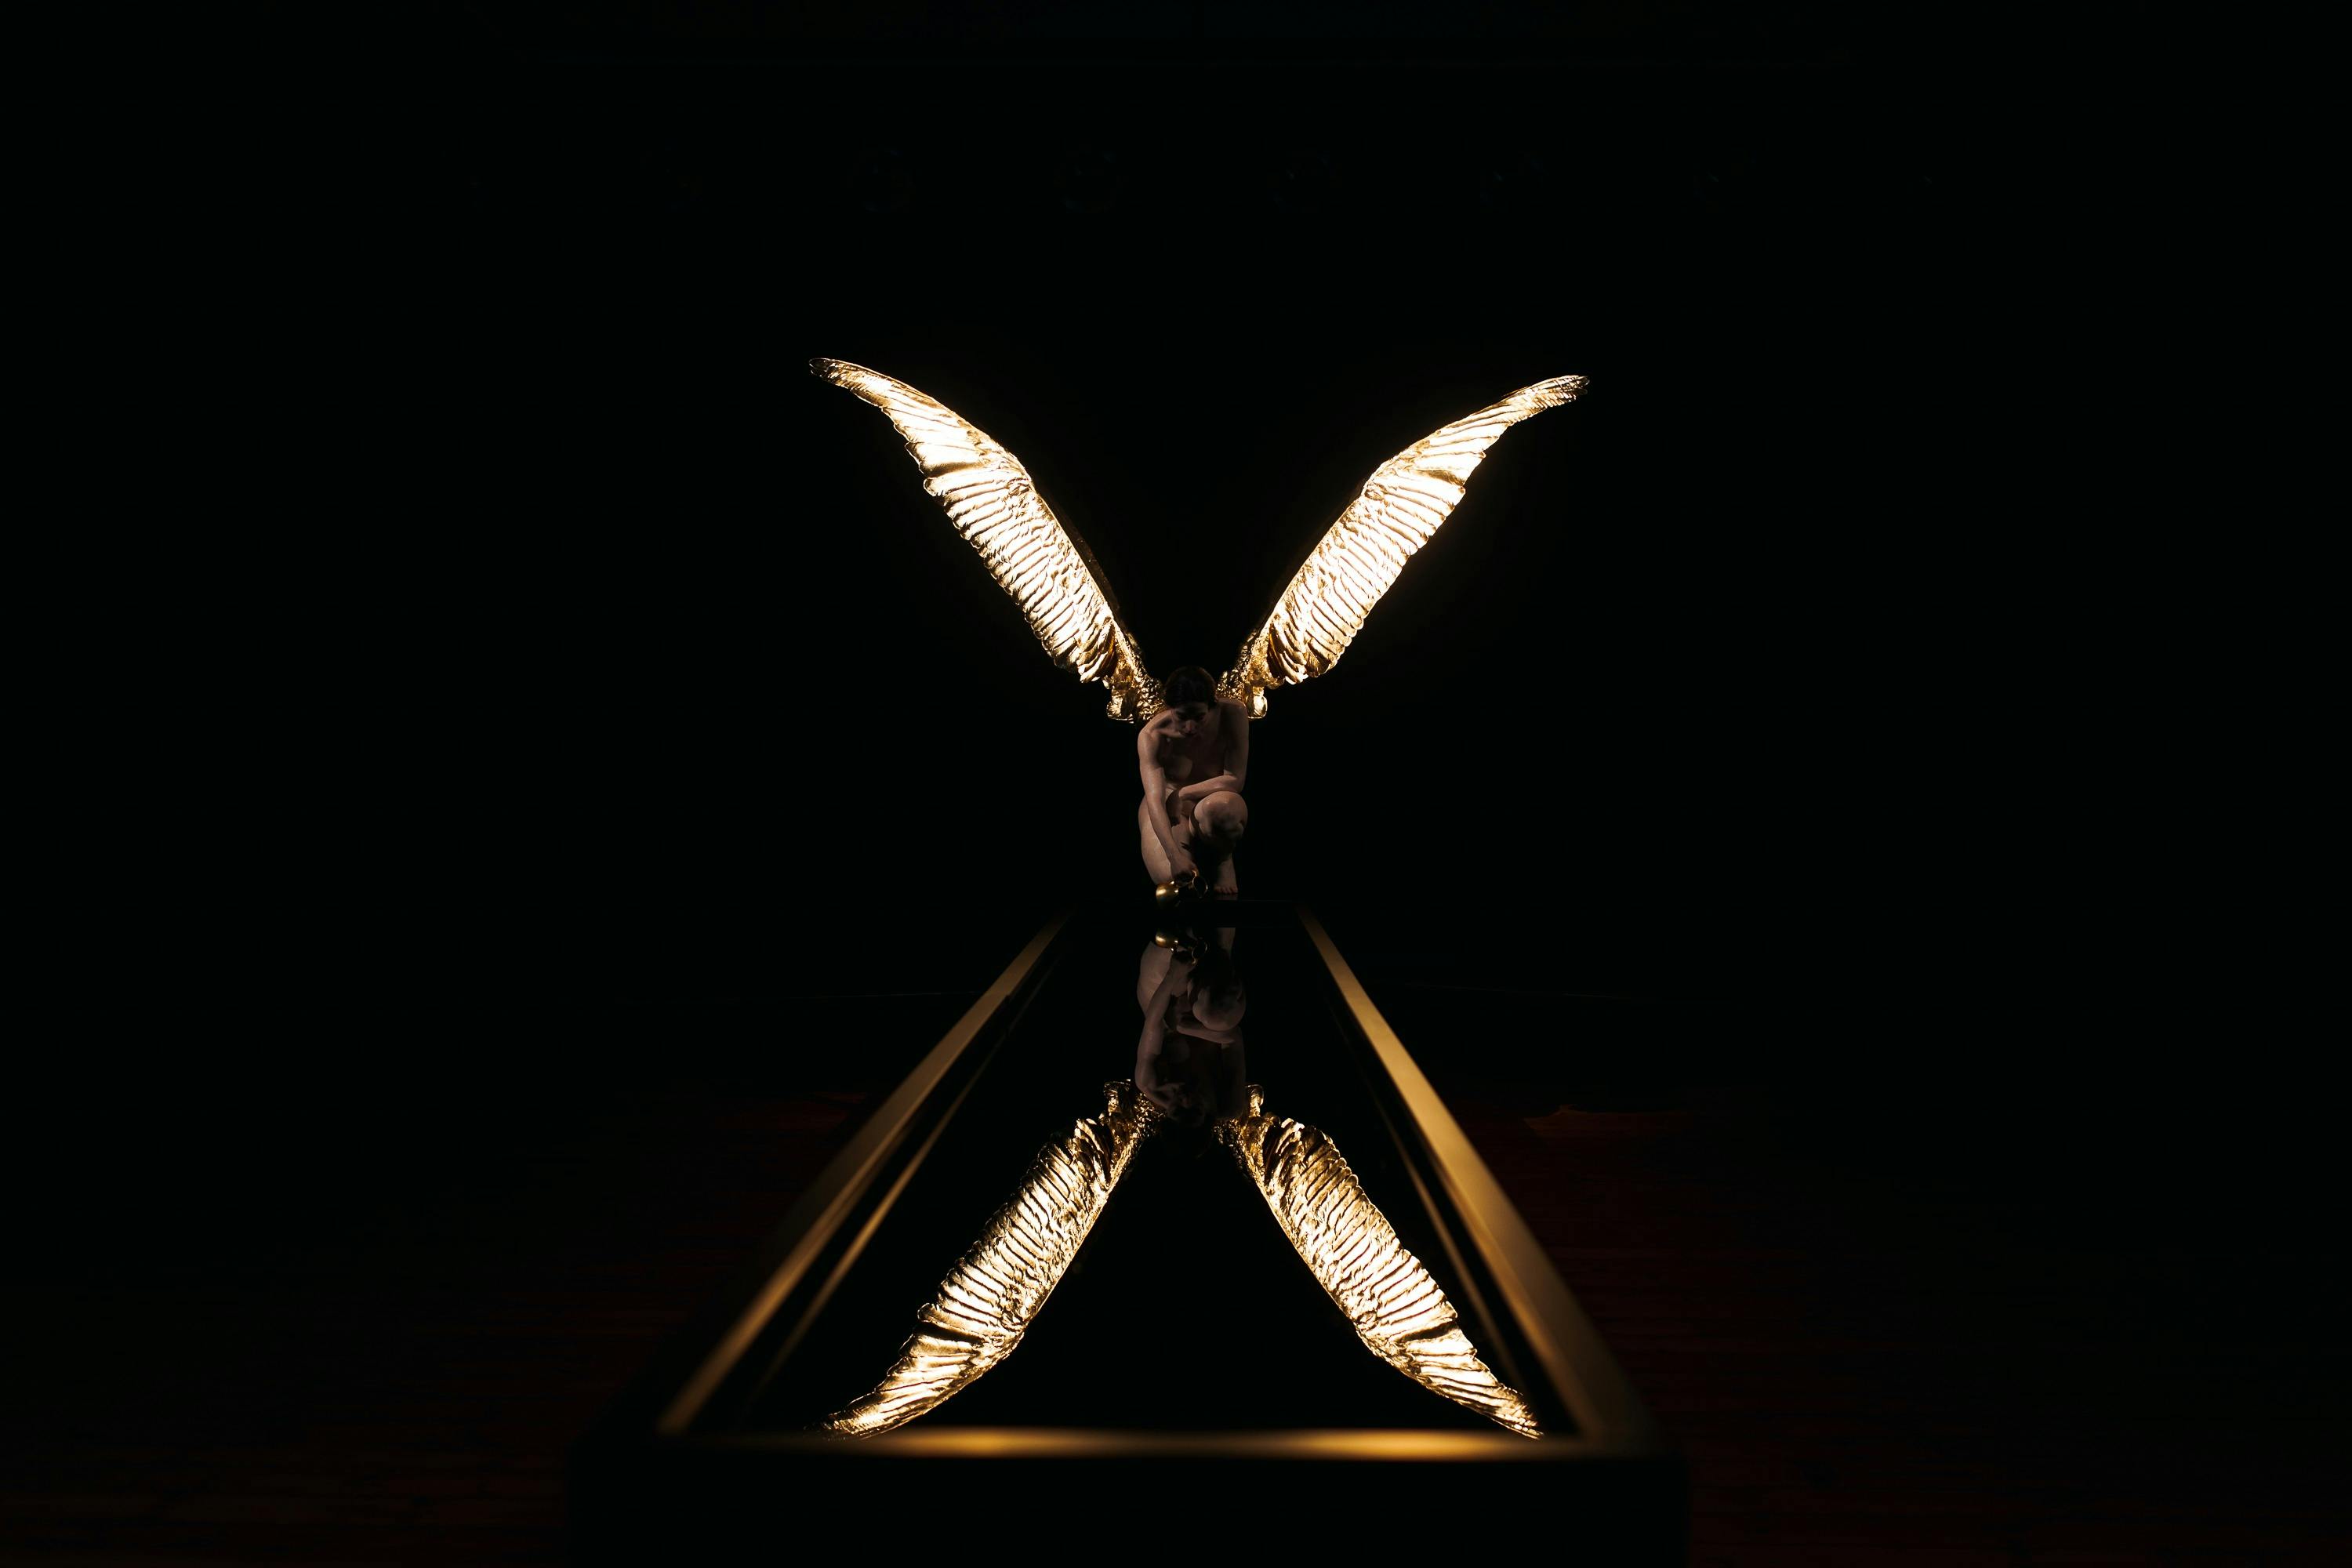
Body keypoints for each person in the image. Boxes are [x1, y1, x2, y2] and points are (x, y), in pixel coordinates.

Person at [1136, 666, 1250, 897]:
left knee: (1222, 811)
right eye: (1182, 717)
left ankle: (1223, 859)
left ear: (1212, 706)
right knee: (1171, 879)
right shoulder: (1152, 736)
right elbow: (1155, 801)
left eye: (1199, 717)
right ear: (1170, 709)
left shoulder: (1233, 714)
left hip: (1212, 799)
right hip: (1168, 804)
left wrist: (1183, 794)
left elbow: (1235, 780)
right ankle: (1184, 850)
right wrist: (1174, 856)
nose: (1190, 727)